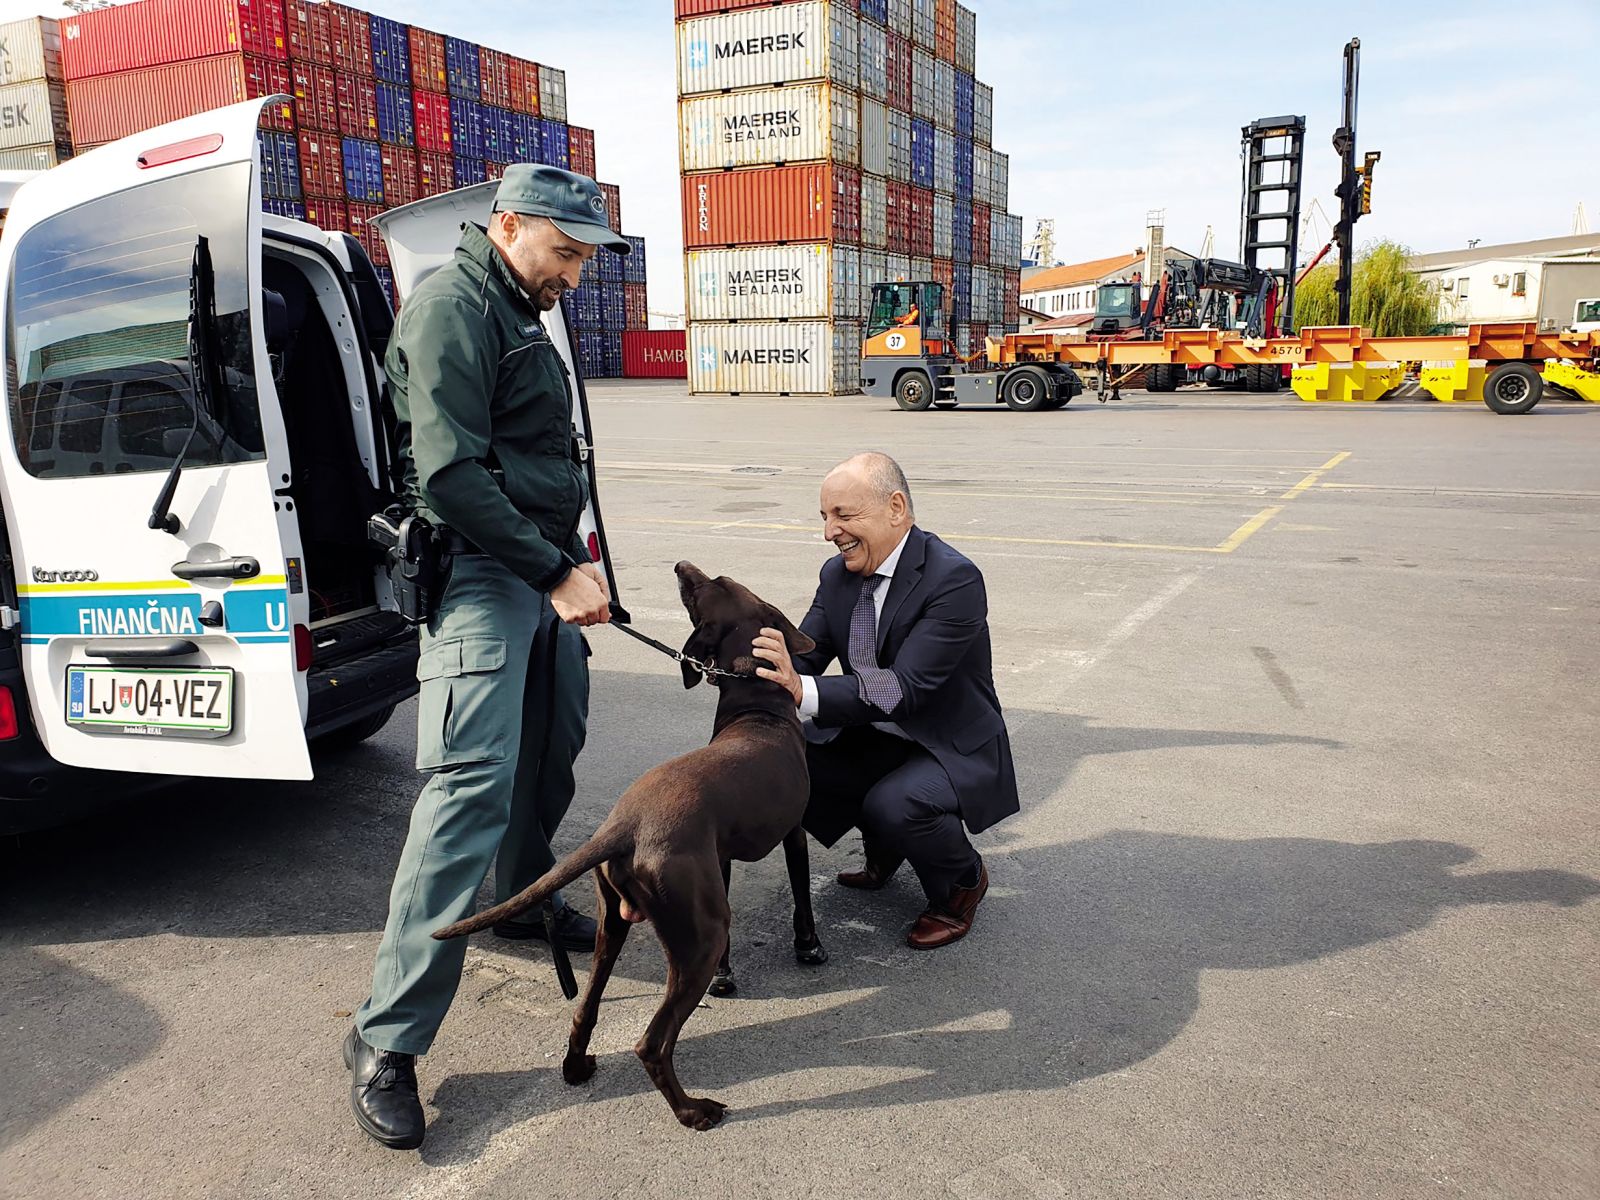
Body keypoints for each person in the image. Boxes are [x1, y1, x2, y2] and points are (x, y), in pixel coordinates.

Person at [343, 165, 627, 1152]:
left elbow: (534, 458)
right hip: (481, 572)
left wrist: (573, 563)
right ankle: (386, 1037)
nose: (575, 276)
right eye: (564, 252)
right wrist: (555, 571)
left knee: (552, 742)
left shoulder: (517, 304)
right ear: (507, 225)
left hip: (540, 567)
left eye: (585, 259)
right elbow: (455, 477)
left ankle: (519, 900)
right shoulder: (453, 310)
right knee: (469, 789)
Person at [751, 452, 1019, 951]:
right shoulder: (837, 574)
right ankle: (887, 847)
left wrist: (801, 690)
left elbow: (905, 687)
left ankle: (961, 883)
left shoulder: (954, 579)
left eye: (843, 515)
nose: (829, 532)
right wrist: (753, 667)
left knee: (897, 803)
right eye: (824, 517)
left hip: (946, 742)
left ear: (895, 508)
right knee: (788, 758)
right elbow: (806, 653)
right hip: (876, 731)